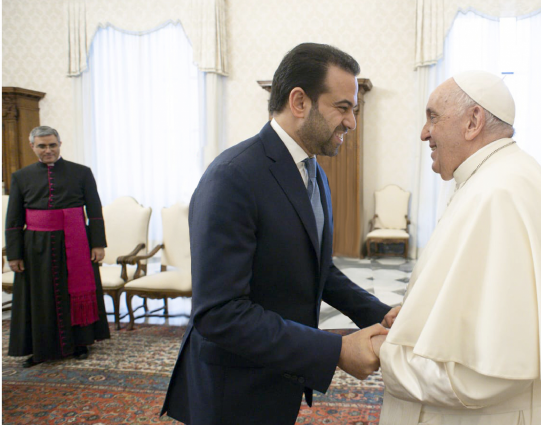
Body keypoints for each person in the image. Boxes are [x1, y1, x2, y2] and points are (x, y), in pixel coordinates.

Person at [161, 43, 399, 425]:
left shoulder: (314, 172)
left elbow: (317, 270)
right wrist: (336, 350)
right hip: (232, 390)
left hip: (279, 376)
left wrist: (382, 314)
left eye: (353, 109)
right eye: (343, 107)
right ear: (299, 102)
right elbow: (219, 314)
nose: (352, 122)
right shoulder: (232, 177)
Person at [371, 70, 541, 425]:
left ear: (473, 121)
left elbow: (484, 377)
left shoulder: (499, 193)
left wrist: (381, 353)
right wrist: (420, 314)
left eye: (433, 117)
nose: (424, 132)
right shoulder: (501, 175)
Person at [5, 126, 110, 368]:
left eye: (52, 145)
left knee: (74, 292)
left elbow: (94, 211)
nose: (48, 150)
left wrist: (98, 243)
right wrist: (14, 254)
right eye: (42, 146)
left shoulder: (82, 172)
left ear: (59, 144)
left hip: (75, 241)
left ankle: (80, 343)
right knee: (39, 296)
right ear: (33, 146)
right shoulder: (21, 176)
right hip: (36, 246)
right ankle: (39, 348)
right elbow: (13, 219)